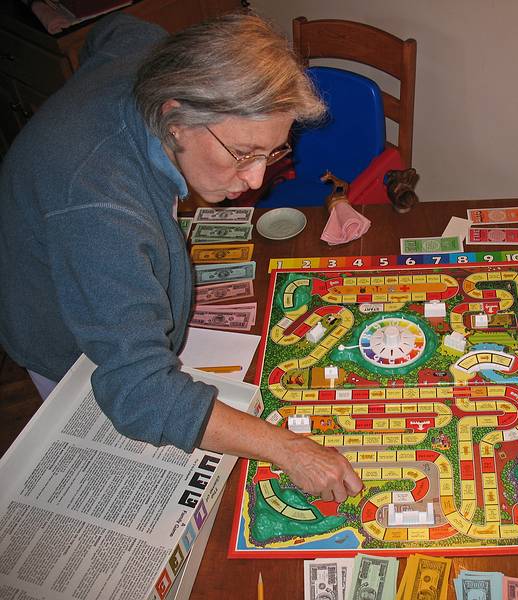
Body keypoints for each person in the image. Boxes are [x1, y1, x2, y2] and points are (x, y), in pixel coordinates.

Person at [0, 12, 362, 502]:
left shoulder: (148, 55)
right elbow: (141, 394)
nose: (256, 181)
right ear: (175, 120)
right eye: (243, 153)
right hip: (55, 328)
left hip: (83, 233)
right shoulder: (102, 213)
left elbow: (115, 29)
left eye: (272, 152)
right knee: (102, 441)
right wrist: (289, 448)